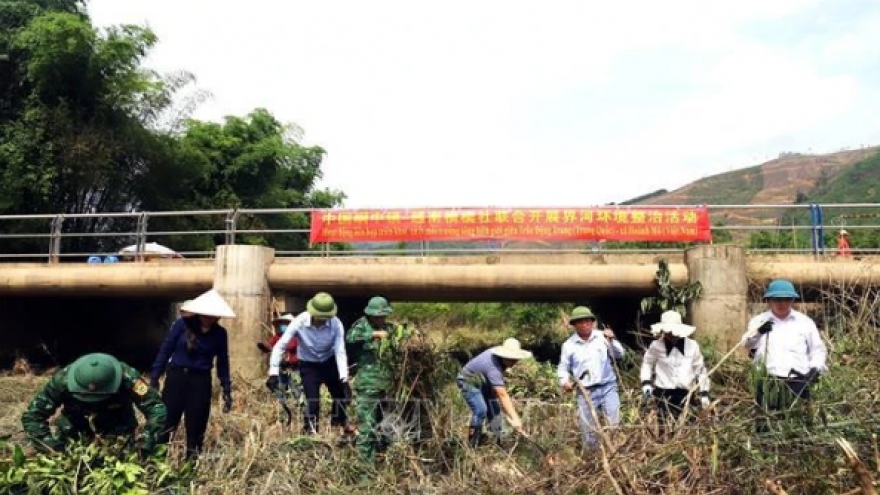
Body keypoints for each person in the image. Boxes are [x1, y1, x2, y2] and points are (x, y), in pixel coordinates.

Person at [21, 352, 166, 458]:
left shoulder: (127, 377)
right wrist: (49, 446)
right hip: (73, 434)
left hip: (118, 434)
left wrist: (146, 441)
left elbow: (156, 408)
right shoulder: (61, 380)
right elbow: (33, 416)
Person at [150, 289, 236, 460]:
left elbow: (222, 361)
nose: (210, 319)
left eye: (214, 316)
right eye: (207, 315)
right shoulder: (181, 325)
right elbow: (165, 350)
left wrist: (226, 387)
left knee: (196, 424)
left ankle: (191, 463)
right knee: (168, 420)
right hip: (177, 377)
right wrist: (154, 377)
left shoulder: (220, 334)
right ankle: (157, 461)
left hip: (201, 380)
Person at [741, 279, 827, 432]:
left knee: (800, 426)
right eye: (777, 300)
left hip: (798, 380)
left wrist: (815, 369)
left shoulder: (804, 322)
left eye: (786, 299)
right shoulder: (759, 321)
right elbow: (746, 344)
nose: (781, 304)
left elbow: (817, 349)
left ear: (792, 300)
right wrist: (759, 332)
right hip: (768, 381)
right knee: (765, 425)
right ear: (769, 301)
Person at [267, 292, 355, 436]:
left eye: (326, 317)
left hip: (329, 361)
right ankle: (310, 432)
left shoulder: (336, 324)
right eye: (320, 317)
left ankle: (339, 426)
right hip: (309, 365)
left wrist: (344, 379)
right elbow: (280, 346)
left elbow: (340, 351)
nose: (323, 320)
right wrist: (273, 373)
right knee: (313, 401)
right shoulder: (299, 321)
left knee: (339, 396)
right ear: (313, 313)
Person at [346, 296, 410, 463]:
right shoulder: (361, 326)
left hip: (386, 385)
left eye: (383, 316)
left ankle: (381, 458)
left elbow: (405, 338)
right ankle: (365, 470)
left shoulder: (390, 328)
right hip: (368, 385)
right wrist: (373, 334)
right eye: (378, 316)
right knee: (366, 426)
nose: (381, 319)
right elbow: (350, 338)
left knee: (384, 425)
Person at [557, 306, 625, 449]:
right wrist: (564, 382)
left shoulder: (602, 337)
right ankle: (593, 459)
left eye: (587, 321)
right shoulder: (568, 345)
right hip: (585, 391)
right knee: (588, 430)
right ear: (574, 325)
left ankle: (616, 453)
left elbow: (620, 355)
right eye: (580, 322)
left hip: (608, 387)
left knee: (614, 422)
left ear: (592, 322)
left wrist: (612, 340)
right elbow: (563, 367)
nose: (584, 324)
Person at [640, 310, 711, 438]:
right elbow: (647, 363)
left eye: (673, 331)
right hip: (663, 394)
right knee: (664, 428)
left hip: (685, 394)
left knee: (686, 428)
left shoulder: (692, 346)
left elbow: (700, 369)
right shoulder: (656, 346)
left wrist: (704, 392)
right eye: (668, 332)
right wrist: (646, 383)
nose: (671, 335)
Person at [456, 337, 532, 447]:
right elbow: (502, 394)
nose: (514, 362)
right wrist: (516, 419)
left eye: (516, 359)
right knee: (480, 409)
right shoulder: (493, 368)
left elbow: (499, 390)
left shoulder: (500, 360)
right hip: (468, 380)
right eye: (511, 359)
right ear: (504, 355)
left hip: (483, 380)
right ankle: (472, 443)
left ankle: (499, 441)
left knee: (494, 409)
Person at [258, 313, 302, 403]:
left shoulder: (296, 337)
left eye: (286, 324)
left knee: (295, 388)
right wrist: (264, 347)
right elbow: (270, 347)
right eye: (282, 323)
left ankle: (300, 406)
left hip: (293, 368)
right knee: (281, 387)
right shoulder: (277, 337)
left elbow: (291, 346)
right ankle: (283, 406)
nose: (283, 326)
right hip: (281, 368)